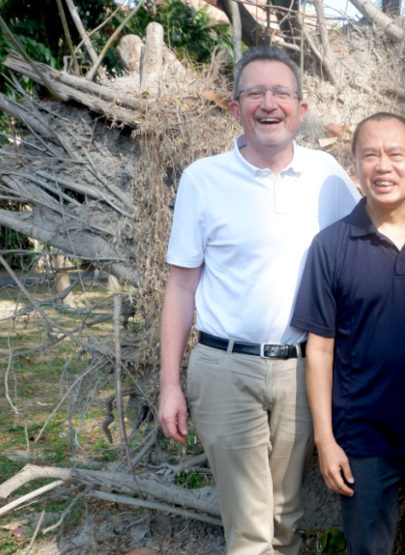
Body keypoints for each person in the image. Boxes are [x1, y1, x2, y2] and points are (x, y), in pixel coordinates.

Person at [157, 45, 360, 554]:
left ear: (301, 108)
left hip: (301, 372)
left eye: (281, 92)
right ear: (234, 108)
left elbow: (377, 231)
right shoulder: (203, 179)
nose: (269, 104)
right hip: (225, 368)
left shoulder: (329, 177)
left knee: (286, 517)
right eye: (255, 92)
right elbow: (181, 287)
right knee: (249, 529)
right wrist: (169, 385)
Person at [290, 112, 405, 555]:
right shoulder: (331, 246)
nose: (383, 166)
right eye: (370, 155)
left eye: (395, 154)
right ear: (354, 166)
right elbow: (321, 351)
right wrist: (325, 440)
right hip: (361, 438)